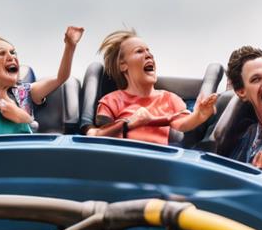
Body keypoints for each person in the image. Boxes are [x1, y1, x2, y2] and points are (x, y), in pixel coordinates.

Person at [87, 29, 217, 145]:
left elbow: (182, 124)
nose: (149, 55)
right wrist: (128, 124)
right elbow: (98, 138)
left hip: (159, 163)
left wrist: (199, 115)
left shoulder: (170, 99)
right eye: (139, 51)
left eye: (148, 51)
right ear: (123, 65)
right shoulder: (111, 101)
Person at [0, 26, 84, 136]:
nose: (11, 56)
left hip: (24, 151)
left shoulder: (25, 92)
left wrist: (70, 46)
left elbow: (60, 78)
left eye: (12, 52)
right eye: (2, 53)